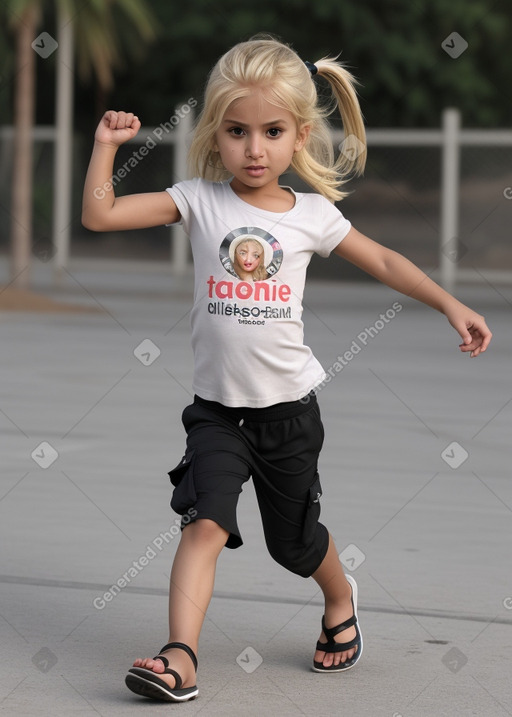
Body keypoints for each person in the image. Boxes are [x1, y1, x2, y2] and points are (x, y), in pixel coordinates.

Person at [82, 35, 492, 703]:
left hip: (289, 416)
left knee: (294, 544)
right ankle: (180, 655)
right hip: (215, 412)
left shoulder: (311, 216)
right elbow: (99, 214)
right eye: (238, 131)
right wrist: (106, 147)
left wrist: (450, 302)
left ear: (300, 135)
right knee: (202, 522)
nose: (254, 148)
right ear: (218, 133)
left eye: (271, 132)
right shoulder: (199, 202)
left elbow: (386, 260)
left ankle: (339, 595)